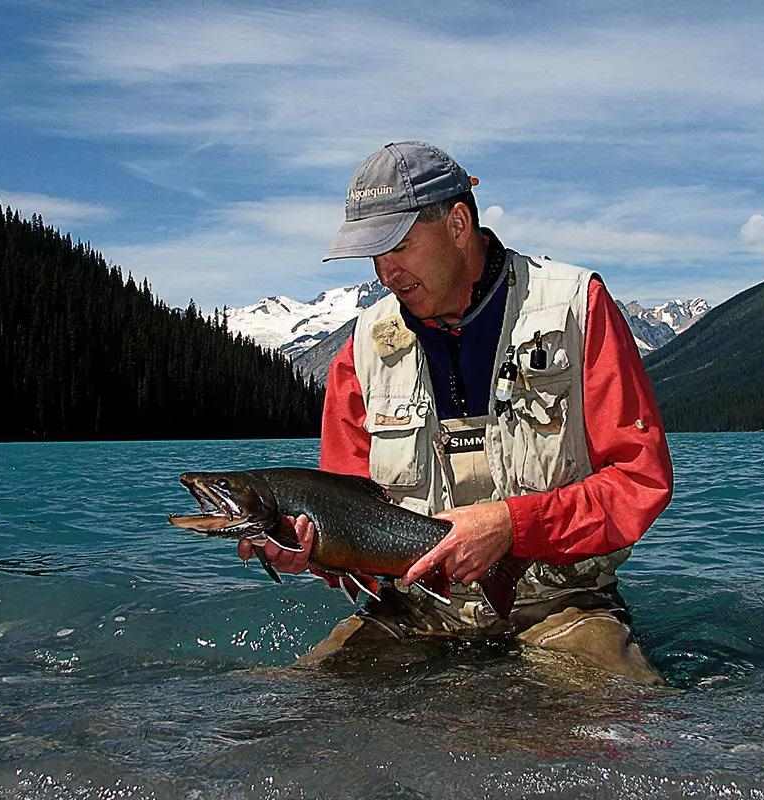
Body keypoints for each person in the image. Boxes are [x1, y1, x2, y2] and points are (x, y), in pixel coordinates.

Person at [237, 141, 673, 683]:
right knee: (295, 709)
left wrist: (511, 526)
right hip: (412, 612)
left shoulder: (577, 308)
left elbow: (639, 481)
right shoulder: (362, 350)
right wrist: (308, 551)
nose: (385, 272)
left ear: (459, 223)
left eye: (397, 245)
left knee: (626, 722)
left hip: (563, 606)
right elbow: (345, 515)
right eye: (373, 255)